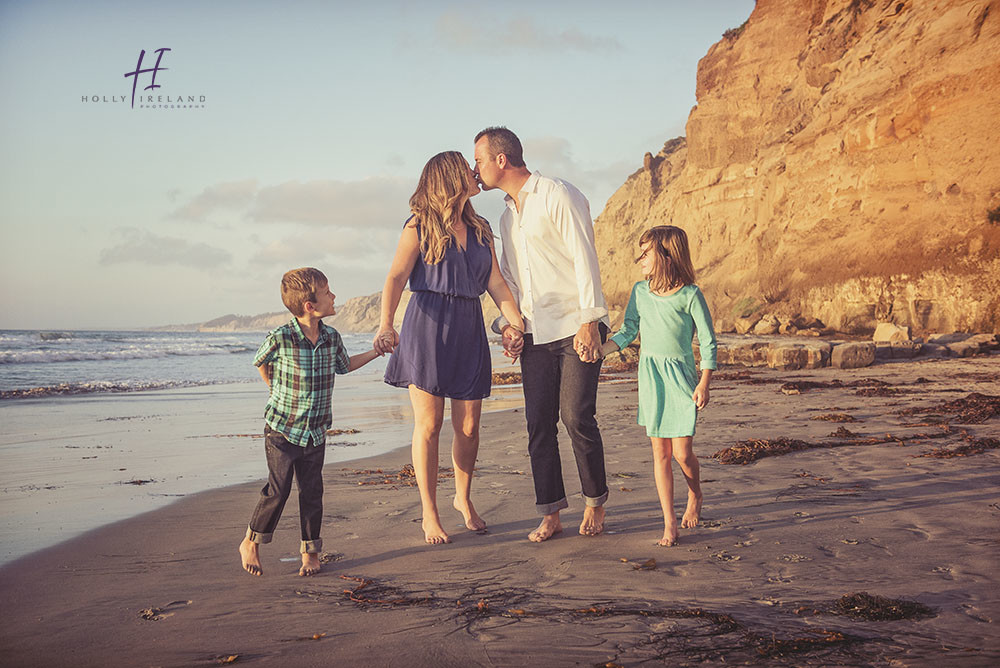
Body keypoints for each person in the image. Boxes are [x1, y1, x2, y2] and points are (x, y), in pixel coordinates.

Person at [377, 151, 524, 545]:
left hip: (468, 325)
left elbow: (495, 282)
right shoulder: (418, 225)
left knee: (470, 426)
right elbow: (395, 276)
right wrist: (385, 323)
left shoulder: (480, 227)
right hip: (426, 325)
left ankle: (462, 497)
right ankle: (429, 513)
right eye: (467, 167)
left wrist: (515, 323)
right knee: (428, 425)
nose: (475, 171)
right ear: (449, 177)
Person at [473, 126, 610, 542]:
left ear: (501, 160)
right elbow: (511, 282)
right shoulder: (505, 216)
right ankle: (550, 513)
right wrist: (510, 326)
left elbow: (584, 256)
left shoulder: (557, 193)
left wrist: (589, 320)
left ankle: (595, 502)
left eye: (478, 160)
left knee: (576, 417)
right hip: (535, 332)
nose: (474, 169)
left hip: (576, 324)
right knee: (538, 425)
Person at [239, 267, 380, 577]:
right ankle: (251, 541)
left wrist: (375, 352)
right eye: (328, 292)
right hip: (282, 429)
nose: (334, 296)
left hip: (315, 431)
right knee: (279, 490)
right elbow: (260, 361)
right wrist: (274, 389)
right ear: (310, 305)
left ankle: (311, 554)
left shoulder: (332, 337)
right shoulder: (281, 337)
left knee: (312, 492)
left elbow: (345, 365)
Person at [599, 226, 717, 547]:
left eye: (646, 253)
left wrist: (704, 383)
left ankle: (695, 494)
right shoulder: (640, 292)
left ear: (666, 255)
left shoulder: (690, 295)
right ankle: (669, 523)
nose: (640, 260)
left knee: (682, 453)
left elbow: (708, 343)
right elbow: (628, 331)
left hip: (681, 378)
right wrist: (602, 350)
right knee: (660, 453)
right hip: (651, 377)